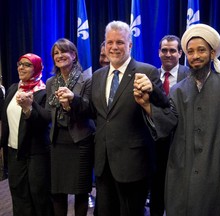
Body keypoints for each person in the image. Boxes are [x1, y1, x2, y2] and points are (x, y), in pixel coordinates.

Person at [134, 24, 220, 216]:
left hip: (217, 173)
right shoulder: (178, 90)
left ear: (212, 53)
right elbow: (167, 125)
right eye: (190, 51)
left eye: (201, 50)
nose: (195, 56)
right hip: (182, 174)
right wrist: (147, 106)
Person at [61, 21, 168, 216]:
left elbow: (164, 109)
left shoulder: (147, 71)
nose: (114, 47)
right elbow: (95, 111)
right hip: (103, 161)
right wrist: (73, 100)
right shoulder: (98, 75)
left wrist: (150, 96)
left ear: (130, 45)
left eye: (120, 42)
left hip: (134, 163)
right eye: (110, 42)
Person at [46, 38, 96, 216]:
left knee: (80, 191)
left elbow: (90, 109)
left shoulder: (87, 79)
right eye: (56, 53)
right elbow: (47, 112)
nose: (59, 56)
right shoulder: (51, 82)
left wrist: (71, 102)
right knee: (57, 191)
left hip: (80, 141)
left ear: (74, 55)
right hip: (57, 141)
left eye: (63, 52)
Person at [0, 53, 53, 215]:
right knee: (19, 195)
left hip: (36, 153)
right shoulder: (12, 89)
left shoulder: (43, 92)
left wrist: (28, 108)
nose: (21, 67)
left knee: (39, 196)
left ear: (37, 68)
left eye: (27, 65)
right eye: (20, 64)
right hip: (14, 152)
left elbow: (44, 123)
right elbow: (5, 119)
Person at [149, 34, 190, 216]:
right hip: (156, 143)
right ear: (158, 53)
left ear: (180, 53)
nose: (168, 54)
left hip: (182, 141)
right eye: (164, 50)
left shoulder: (189, 75)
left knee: (180, 189)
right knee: (157, 188)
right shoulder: (151, 76)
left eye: (173, 50)